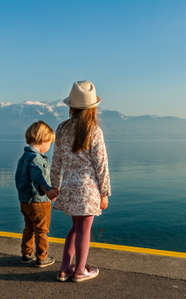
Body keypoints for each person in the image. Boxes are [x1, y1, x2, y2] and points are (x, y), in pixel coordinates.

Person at [51, 80, 111, 282]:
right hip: (87, 190)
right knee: (84, 230)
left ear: (71, 106)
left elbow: (56, 160)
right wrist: (104, 193)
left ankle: (64, 269)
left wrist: (54, 185)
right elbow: (101, 165)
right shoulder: (94, 131)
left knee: (75, 228)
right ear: (93, 108)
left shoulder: (61, 129)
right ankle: (80, 271)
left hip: (68, 187)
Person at [15, 121, 59, 268]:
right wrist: (48, 190)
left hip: (24, 200)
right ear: (42, 140)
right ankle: (42, 257)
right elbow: (37, 175)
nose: (49, 147)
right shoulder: (36, 159)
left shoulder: (24, 157)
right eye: (49, 143)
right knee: (42, 230)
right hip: (39, 201)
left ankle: (26, 254)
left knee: (29, 227)